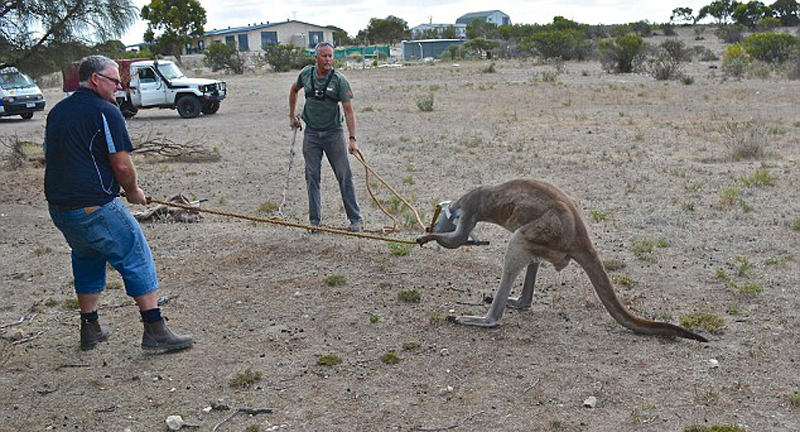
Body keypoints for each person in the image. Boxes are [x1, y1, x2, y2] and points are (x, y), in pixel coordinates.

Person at [44, 55, 193, 352]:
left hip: (61, 209)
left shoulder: (57, 112)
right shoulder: (105, 111)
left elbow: (53, 156)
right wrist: (133, 190)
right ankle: (155, 330)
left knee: (87, 256)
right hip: (94, 206)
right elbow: (122, 165)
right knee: (136, 254)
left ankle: (90, 329)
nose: (120, 87)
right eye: (115, 81)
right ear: (96, 79)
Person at [289, 41, 363, 232]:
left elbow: (348, 112)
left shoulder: (339, 80)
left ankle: (355, 220)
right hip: (311, 133)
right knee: (312, 176)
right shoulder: (306, 74)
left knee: (344, 175)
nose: (328, 59)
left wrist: (352, 139)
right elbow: (293, 89)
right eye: (324, 55)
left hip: (333, 133)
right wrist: (292, 116)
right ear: (317, 58)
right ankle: (315, 222)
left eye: (331, 55)